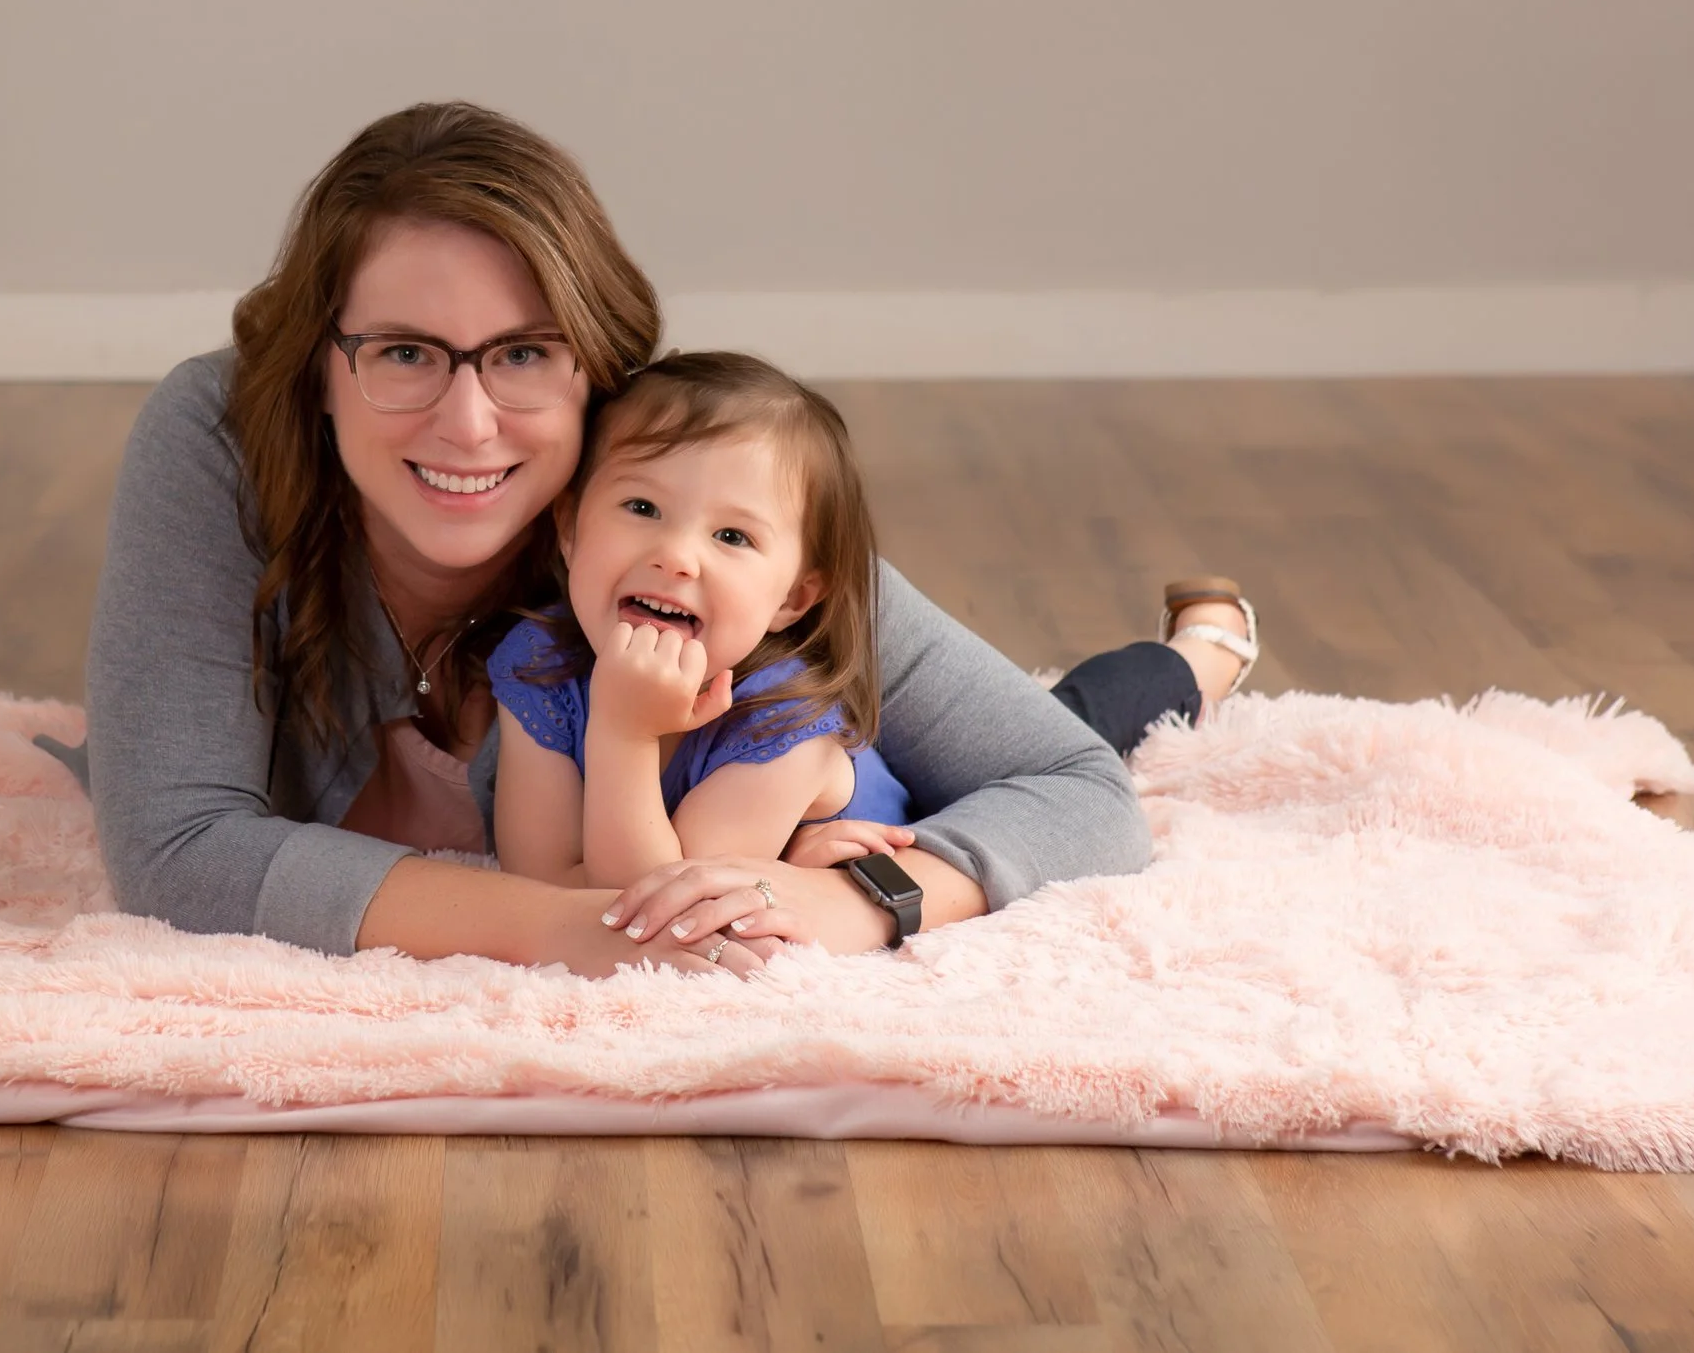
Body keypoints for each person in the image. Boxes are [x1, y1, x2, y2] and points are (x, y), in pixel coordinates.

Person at [60, 101, 1204, 977]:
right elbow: (179, 851)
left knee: (1082, 709)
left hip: (828, 774)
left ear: (597, 371)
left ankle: (1203, 653)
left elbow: (1073, 786)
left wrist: (858, 902)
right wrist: (582, 930)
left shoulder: (667, 501)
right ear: (318, 365)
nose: (468, 423)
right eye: (404, 351)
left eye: (522, 353)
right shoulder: (216, 440)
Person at [484, 353, 1260, 916]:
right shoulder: (538, 664)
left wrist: (620, 729)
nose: (675, 555)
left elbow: (650, 910)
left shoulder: (782, 722)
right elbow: (542, 883)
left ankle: (1205, 652)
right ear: (569, 529)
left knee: (1084, 720)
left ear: (793, 597)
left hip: (931, 805)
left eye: (732, 537)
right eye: (642, 509)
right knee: (1058, 699)